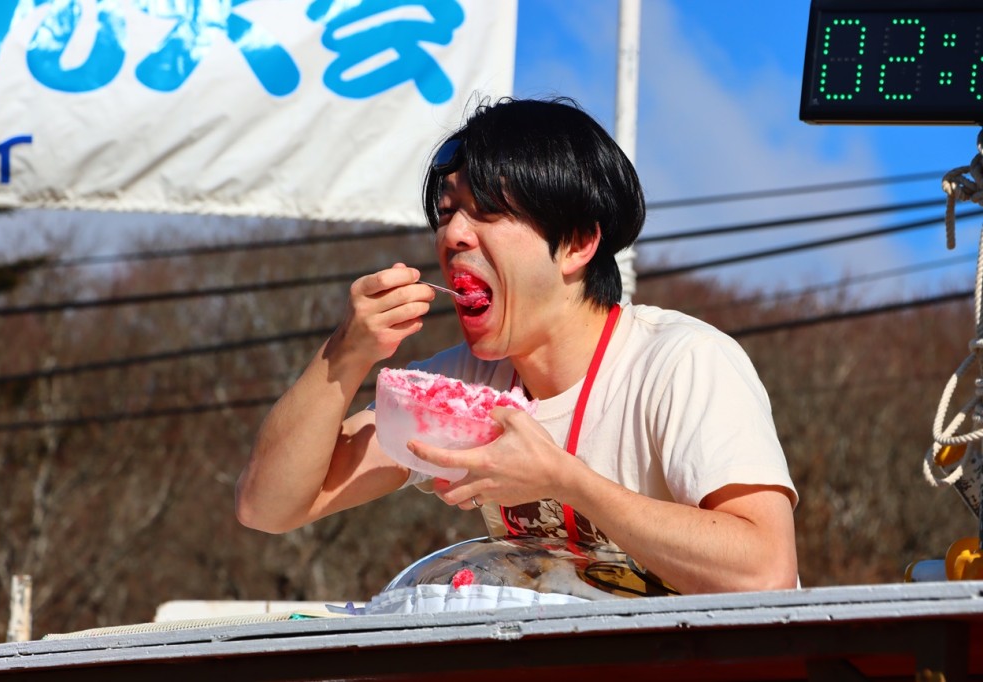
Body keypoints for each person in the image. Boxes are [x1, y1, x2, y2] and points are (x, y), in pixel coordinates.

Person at [236, 96, 799, 595]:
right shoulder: (457, 390)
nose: (453, 235)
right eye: (446, 213)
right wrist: (345, 354)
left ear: (576, 243)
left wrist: (564, 480)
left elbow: (765, 572)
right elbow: (268, 506)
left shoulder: (683, 361)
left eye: (487, 211)